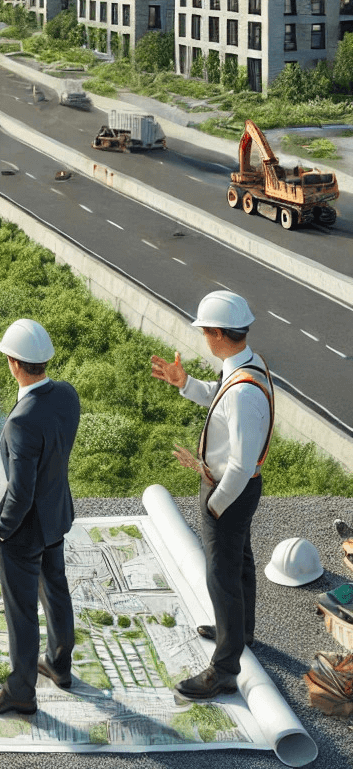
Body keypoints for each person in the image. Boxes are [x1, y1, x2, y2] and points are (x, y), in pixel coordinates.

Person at [151, 290, 274, 700]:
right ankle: (240, 632)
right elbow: (216, 399)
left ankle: (223, 670)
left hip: (229, 490)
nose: (203, 336)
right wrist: (184, 383)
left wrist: (214, 504)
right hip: (241, 487)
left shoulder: (242, 392)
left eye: (205, 330)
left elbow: (238, 465)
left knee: (221, 575)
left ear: (218, 333)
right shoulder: (247, 368)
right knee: (240, 560)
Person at [0, 319, 79, 717]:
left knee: (20, 609)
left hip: (24, 528)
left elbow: (19, 492)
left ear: (15, 364)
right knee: (55, 588)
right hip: (55, 515)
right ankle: (59, 664)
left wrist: (2, 530)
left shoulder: (21, 420)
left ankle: (20, 691)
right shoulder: (67, 396)